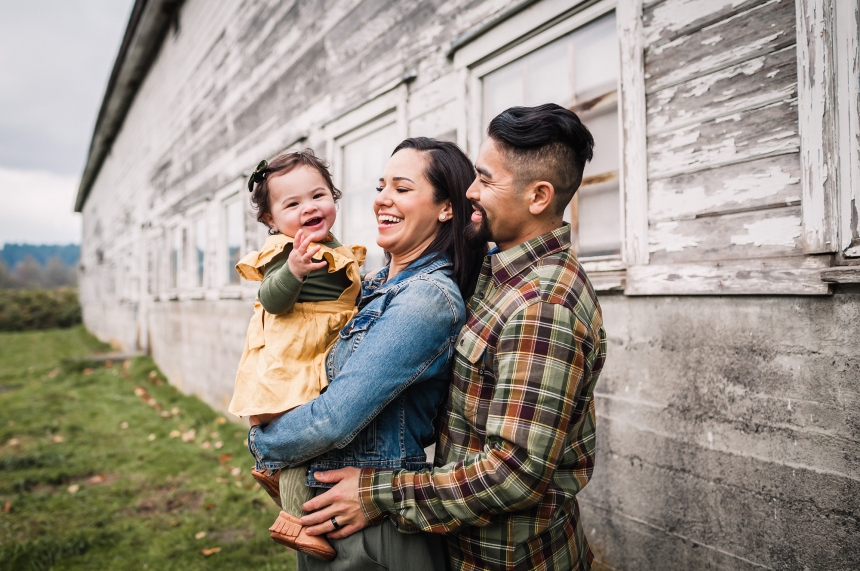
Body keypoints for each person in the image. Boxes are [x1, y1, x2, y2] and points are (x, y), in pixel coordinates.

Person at [300, 104, 608, 571]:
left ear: (539, 196)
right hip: (460, 544)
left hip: (508, 559)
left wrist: (380, 492)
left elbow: (514, 472)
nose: (470, 191)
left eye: (485, 179)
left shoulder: (543, 307)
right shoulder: (494, 270)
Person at [249, 137, 486, 569]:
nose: (383, 200)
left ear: (446, 208)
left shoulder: (426, 298)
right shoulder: (370, 285)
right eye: (381, 186)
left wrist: (261, 442)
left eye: (402, 188)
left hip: (374, 532)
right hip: (333, 512)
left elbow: (333, 418)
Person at [229, 150, 366, 560]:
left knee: (307, 429)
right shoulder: (284, 252)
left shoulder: (331, 243)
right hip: (296, 349)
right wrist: (294, 270)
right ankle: (294, 522)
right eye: (292, 204)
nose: (309, 208)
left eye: (318, 195)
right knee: (302, 430)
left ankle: (274, 471)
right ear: (272, 220)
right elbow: (271, 299)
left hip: (318, 342)